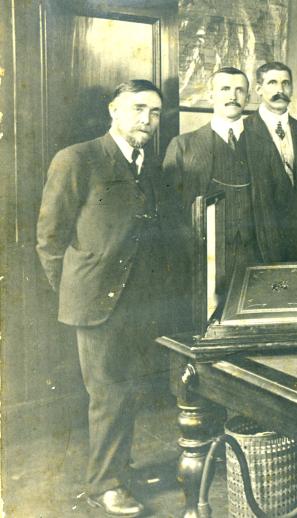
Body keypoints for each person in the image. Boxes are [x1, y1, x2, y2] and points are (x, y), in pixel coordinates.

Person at [36, 80, 167, 517]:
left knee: (125, 392)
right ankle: (105, 485)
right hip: (96, 302)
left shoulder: (147, 163)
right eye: (137, 109)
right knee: (108, 394)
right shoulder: (78, 158)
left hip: (136, 302)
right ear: (114, 110)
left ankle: (118, 470)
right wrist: (76, 290)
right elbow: (49, 239)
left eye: (154, 112)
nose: (146, 120)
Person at [163, 67, 285, 284]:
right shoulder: (183, 145)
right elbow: (169, 212)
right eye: (225, 89)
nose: (232, 96)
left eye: (239, 90)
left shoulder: (264, 145)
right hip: (203, 260)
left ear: (248, 98)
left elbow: (283, 201)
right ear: (210, 95)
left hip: (257, 257)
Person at [242, 61, 297, 260]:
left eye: (285, 83)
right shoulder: (244, 131)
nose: (280, 90)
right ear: (258, 89)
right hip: (260, 238)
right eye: (272, 83)